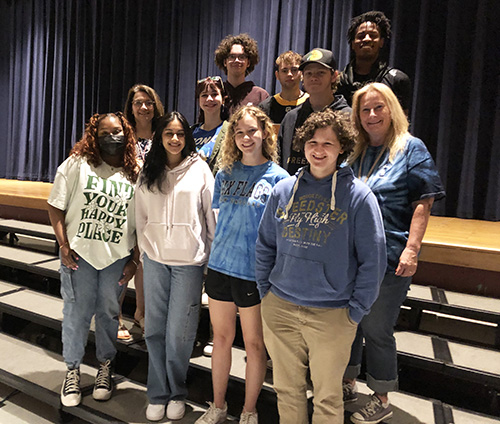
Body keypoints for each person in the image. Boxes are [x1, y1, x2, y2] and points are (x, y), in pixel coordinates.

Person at [255, 109, 386, 424]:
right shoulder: (284, 190)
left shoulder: (359, 197)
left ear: (342, 147)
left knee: (328, 399)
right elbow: (265, 245)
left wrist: (354, 312)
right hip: (281, 309)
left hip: (332, 315)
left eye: (328, 143)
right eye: (312, 142)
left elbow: (374, 260)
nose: (318, 149)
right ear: (303, 145)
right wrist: (266, 294)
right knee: (287, 391)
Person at [344, 83, 445, 424]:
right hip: (352, 257)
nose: (372, 115)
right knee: (350, 323)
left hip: (390, 256)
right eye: (365, 110)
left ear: (391, 110)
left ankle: (381, 396)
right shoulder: (356, 152)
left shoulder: (410, 148)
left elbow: (423, 201)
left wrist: (412, 250)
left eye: (378, 108)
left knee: (376, 328)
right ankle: (348, 380)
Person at [196, 106, 288, 424]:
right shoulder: (225, 173)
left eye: (252, 131)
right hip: (221, 267)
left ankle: (249, 411)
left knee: (253, 344)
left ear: (265, 133)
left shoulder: (279, 179)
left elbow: (281, 233)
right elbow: (220, 219)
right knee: (220, 340)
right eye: (239, 132)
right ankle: (218, 406)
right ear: (232, 138)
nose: (246, 137)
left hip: (253, 274)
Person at [47, 112, 140, 407]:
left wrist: (135, 260)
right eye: (105, 132)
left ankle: (105, 367)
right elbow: (55, 206)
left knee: (109, 315)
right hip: (79, 255)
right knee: (76, 315)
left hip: (116, 257)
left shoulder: (134, 170)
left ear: (126, 134)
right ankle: (72, 370)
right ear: (94, 134)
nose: (112, 137)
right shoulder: (78, 164)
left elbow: (142, 221)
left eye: (118, 131)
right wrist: (62, 244)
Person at [135, 112, 216, 422]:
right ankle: (157, 393)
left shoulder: (200, 170)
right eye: (168, 133)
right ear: (160, 136)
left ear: (187, 137)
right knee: (154, 330)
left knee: (179, 335)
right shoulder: (148, 172)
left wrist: (206, 256)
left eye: (180, 133)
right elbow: (140, 216)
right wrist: (146, 250)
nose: (174, 139)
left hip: (188, 264)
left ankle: (177, 392)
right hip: (155, 260)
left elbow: (211, 217)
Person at [122, 83, 165, 338]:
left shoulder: (163, 134)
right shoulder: (123, 135)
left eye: (148, 102)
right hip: (124, 206)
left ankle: (140, 313)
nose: (144, 107)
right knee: (120, 262)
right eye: (138, 103)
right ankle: (114, 316)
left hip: (153, 207)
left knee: (142, 262)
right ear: (131, 107)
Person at [278, 48, 351, 175]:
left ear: (334, 76)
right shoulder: (291, 118)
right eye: (309, 73)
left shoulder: (348, 116)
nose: (313, 78)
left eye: (320, 73)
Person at [337, 11, 411, 114]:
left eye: (372, 35)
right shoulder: (338, 82)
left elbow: (402, 124)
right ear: (353, 44)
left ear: (381, 42)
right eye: (361, 36)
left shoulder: (397, 80)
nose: (367, 39)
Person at [214, 33, 269, 116]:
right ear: (225, 62)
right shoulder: (215, 93)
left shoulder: (260, 96)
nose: (237, 60)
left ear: (248, 63)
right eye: (232, 56)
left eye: (242, 57)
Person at [192, 76, 230, 175]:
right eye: (204, 95)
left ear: (223, 100)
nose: (209, 99)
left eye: (214, 94)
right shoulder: (190, 132)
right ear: (198, 100)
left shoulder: (232, 131)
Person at [258, 50, 309, 124]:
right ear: (277, 75)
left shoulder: (311, 103)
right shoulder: (265, 107)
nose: (289, 74)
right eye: (284, 71)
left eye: (294, 70)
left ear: (302, 74)